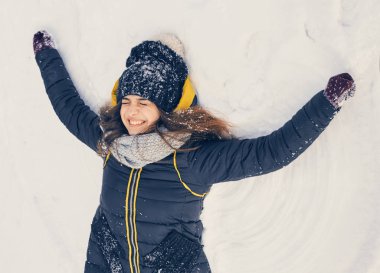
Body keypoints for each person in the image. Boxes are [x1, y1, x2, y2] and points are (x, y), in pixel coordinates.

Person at [33, 30, 356, 273]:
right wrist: (46, 55)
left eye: (144, 103)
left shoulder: (191, 160)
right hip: (107, 262)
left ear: (166, 108)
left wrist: (326, 104)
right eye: (127, 101)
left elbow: (269, 153)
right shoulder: (112, 144)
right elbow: (70, 109)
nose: (131, 112)